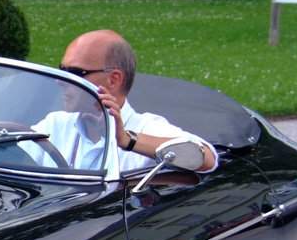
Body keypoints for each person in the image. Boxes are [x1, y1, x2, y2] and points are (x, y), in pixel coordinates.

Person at [56, 30, 217, 172]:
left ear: (113, 80)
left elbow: (206, 158)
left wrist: (127, 139)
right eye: (61, 70)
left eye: (74, 73)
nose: (60, 81)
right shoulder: (56, 124)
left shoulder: (145, 127)